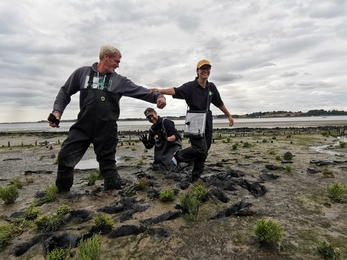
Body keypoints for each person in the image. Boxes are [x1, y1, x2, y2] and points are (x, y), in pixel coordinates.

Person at [48, 45, 166, 192]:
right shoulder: (82, 73)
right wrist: (57, 112)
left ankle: (113, 194)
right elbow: (65, 92)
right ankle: (62, 193)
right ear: (105, 57)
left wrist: (158, 97)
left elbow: (140, 91)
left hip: (106, 129)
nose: (118, 65)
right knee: (65, 157)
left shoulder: (119, 81)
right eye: (116, 61)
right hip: (83, 126)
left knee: (108, 164)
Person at [152, 59, 234, 182]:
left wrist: (229, 115)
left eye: (207, 68)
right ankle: (178, 156)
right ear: (197, 71)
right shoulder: (190, 86)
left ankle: (195, 178)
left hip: (207, 121)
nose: (205, 71)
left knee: (204, 152)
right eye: (202, 69)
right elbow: (176, 90)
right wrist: (160, 90)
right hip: (194, 120)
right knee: (200, 149)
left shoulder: (211, 87)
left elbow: (219, 103)